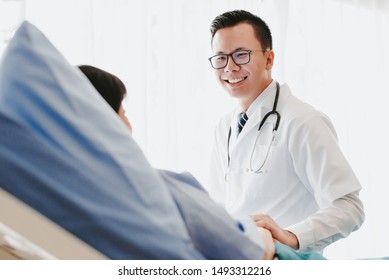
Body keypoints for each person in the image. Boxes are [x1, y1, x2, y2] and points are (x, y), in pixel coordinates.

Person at [77, 64, 276, 260]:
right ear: (108, 121)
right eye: (124, 112)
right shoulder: (154, 187)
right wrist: (261, 232)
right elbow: (251, 253)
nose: (230, 67)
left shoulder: (77, 196)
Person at [206, 10, 365, 253]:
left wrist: (291, 236)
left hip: (286, 262)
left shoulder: (302, 121)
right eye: (220, 58)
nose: (229, 67)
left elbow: (349, 208)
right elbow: (221, 206)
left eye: (241, 55)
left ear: (269, 59)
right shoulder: (223, 128)